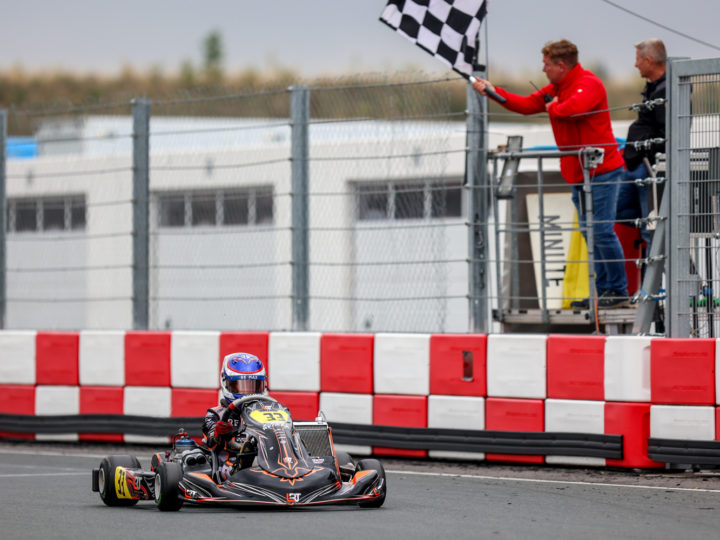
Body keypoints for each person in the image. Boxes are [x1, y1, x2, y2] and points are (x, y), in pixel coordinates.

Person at [472, 39, 629, 309]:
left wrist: (552, 107)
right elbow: (524, 104)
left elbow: (573, 109)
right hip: (580, 172)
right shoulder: (557, 88)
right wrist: (491, 91)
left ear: (560, 65)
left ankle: (617, 291)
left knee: (601, 231)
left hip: (602, 170)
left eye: (546, 64)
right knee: (590, 232)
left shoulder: (588, 83)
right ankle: (604, 291)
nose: (543, 69)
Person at [617, 38, 667, 251]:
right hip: (637, 165)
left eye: (638, 60)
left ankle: (660, 282)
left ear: (648, 60)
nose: (635, 64)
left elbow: (668, 133)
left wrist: (648, 152)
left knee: (652, 229)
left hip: (649, 168)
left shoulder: (668, 90)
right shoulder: (654, 88)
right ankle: (652, 278)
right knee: (617, 211)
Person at [202, 352, 267, 481]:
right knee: (246, 460)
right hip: (229, 465)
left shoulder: (267, 412)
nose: (248, 393)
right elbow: (210, 443)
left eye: (254, 387)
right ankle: (247, 468)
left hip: (266, 461)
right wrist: (218, 433)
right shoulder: (215, 414)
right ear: (226, 383)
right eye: (240, 386)